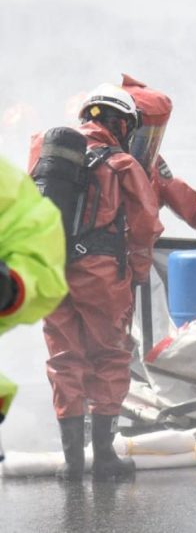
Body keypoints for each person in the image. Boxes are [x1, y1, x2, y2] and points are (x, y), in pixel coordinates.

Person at [29, 83, 164, 481]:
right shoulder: (122, 164)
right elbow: (145, 226)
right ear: (120, 123)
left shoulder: (44, 154)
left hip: (51, 269)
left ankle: (72, 464)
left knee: (64, 361)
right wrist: (138, 272)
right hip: (102, 275)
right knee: (109, 357)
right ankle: (104, 457)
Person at [0, 155, 68, 462]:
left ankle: (83, 453)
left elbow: (36, 263)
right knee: (96, 358)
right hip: (106, 274)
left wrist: (13, 285)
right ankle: (89, 452)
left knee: (74, 359)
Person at [121, 75, 196, 244]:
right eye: (138, 135)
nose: (143, 143)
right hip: (100, 254)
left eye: (149, 135)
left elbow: (175, 191)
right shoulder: (93, 160)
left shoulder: (152, 164)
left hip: (137, 253)